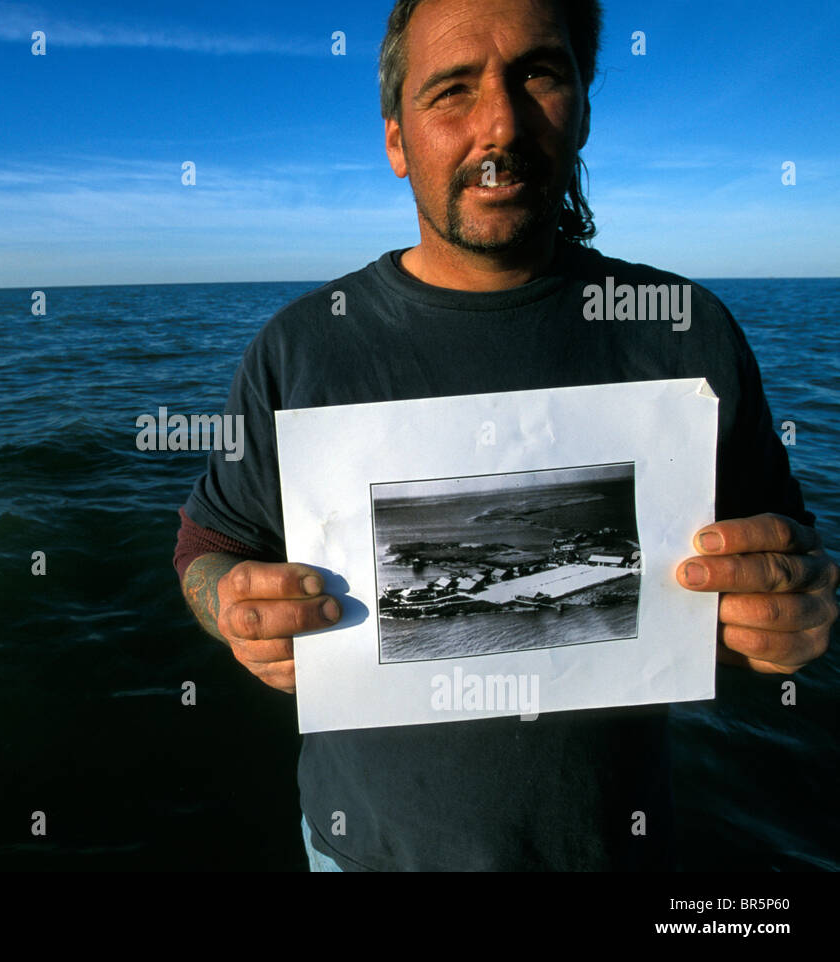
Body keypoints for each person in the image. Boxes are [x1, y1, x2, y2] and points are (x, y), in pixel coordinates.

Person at [175, 0, 837, 871]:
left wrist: (797, 601)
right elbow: (207, 543)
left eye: (538, 73)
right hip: (361, 854)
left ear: (583, 108)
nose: (500, 124)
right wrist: (230, 606)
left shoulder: (686, 330)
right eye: (451, 90)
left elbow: (792, 549)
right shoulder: (300, 346)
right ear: (397, 141)